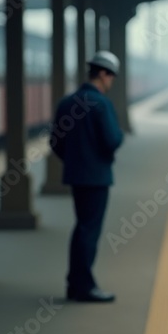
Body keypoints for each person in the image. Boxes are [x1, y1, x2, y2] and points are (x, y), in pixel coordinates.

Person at [50, 51, 124, 302]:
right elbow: (112, 140)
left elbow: (55, 142)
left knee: (81, 227)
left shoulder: (67, 102)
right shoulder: (101, 104)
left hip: (76, 176)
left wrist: (73, 160)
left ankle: (75, 283)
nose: (111, 81)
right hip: (97, 178)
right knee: (89, 231)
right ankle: (83, 286)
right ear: (103, 74)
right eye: (111, 76)